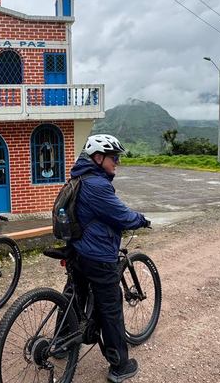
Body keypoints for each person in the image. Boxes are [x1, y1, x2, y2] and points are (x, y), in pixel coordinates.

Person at [69, 134, 150, 383]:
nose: (118, 162)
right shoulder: (98, 185)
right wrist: (141, 219)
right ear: (98, 157)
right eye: (114, 157)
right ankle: (119, 366)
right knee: (112, 309)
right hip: (98, 255)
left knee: (75, 296)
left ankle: (63, 342)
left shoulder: (79, 177)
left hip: (77, 250)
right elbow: (121, 216)